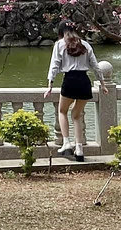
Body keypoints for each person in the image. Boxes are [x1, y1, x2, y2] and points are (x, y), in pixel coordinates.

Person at [45, 21, 106, 162]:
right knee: (77, 115)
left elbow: (54, 65)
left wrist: (50, 84)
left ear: (61, 32)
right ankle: (79, 148)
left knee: (62, 111)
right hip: (84, 81)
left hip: (70, 80)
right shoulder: (85, 44)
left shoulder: (59, 44)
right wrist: (102, 84)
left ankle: (66, 143)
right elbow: (96, 66)